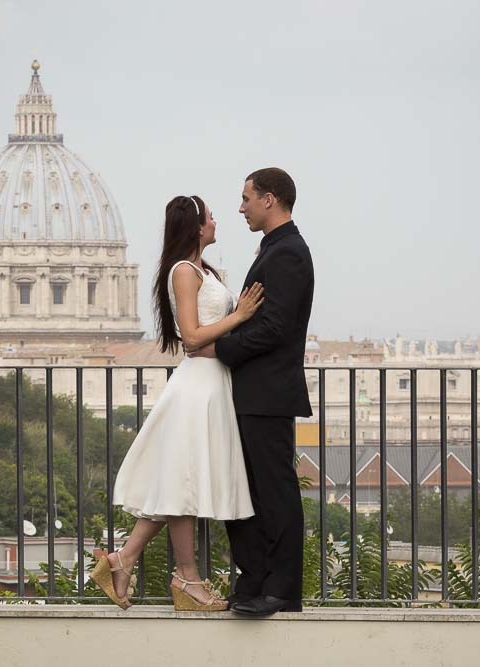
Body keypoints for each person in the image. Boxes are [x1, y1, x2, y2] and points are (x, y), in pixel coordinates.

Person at [90, 194, 264, 611]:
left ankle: (128, 560)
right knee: (182, 486)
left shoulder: (202, 269)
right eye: (210, 217)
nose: (218, 221)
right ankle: (182, 578)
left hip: (210, 384)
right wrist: (238, 316)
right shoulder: (184, 272)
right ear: (196, 227)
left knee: (179, 485)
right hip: (198, 387)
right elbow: (191, 336)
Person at [188, 168, 314, 617]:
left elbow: (274, 328)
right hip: (256, 392)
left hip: (266, 393)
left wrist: (218, 348)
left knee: (273, 492)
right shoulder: (278, 250)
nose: (240, 207)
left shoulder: (287, 254)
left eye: (246, 198)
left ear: (270, 199)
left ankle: (280, 589)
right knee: (252, 491)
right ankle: (257, 581)